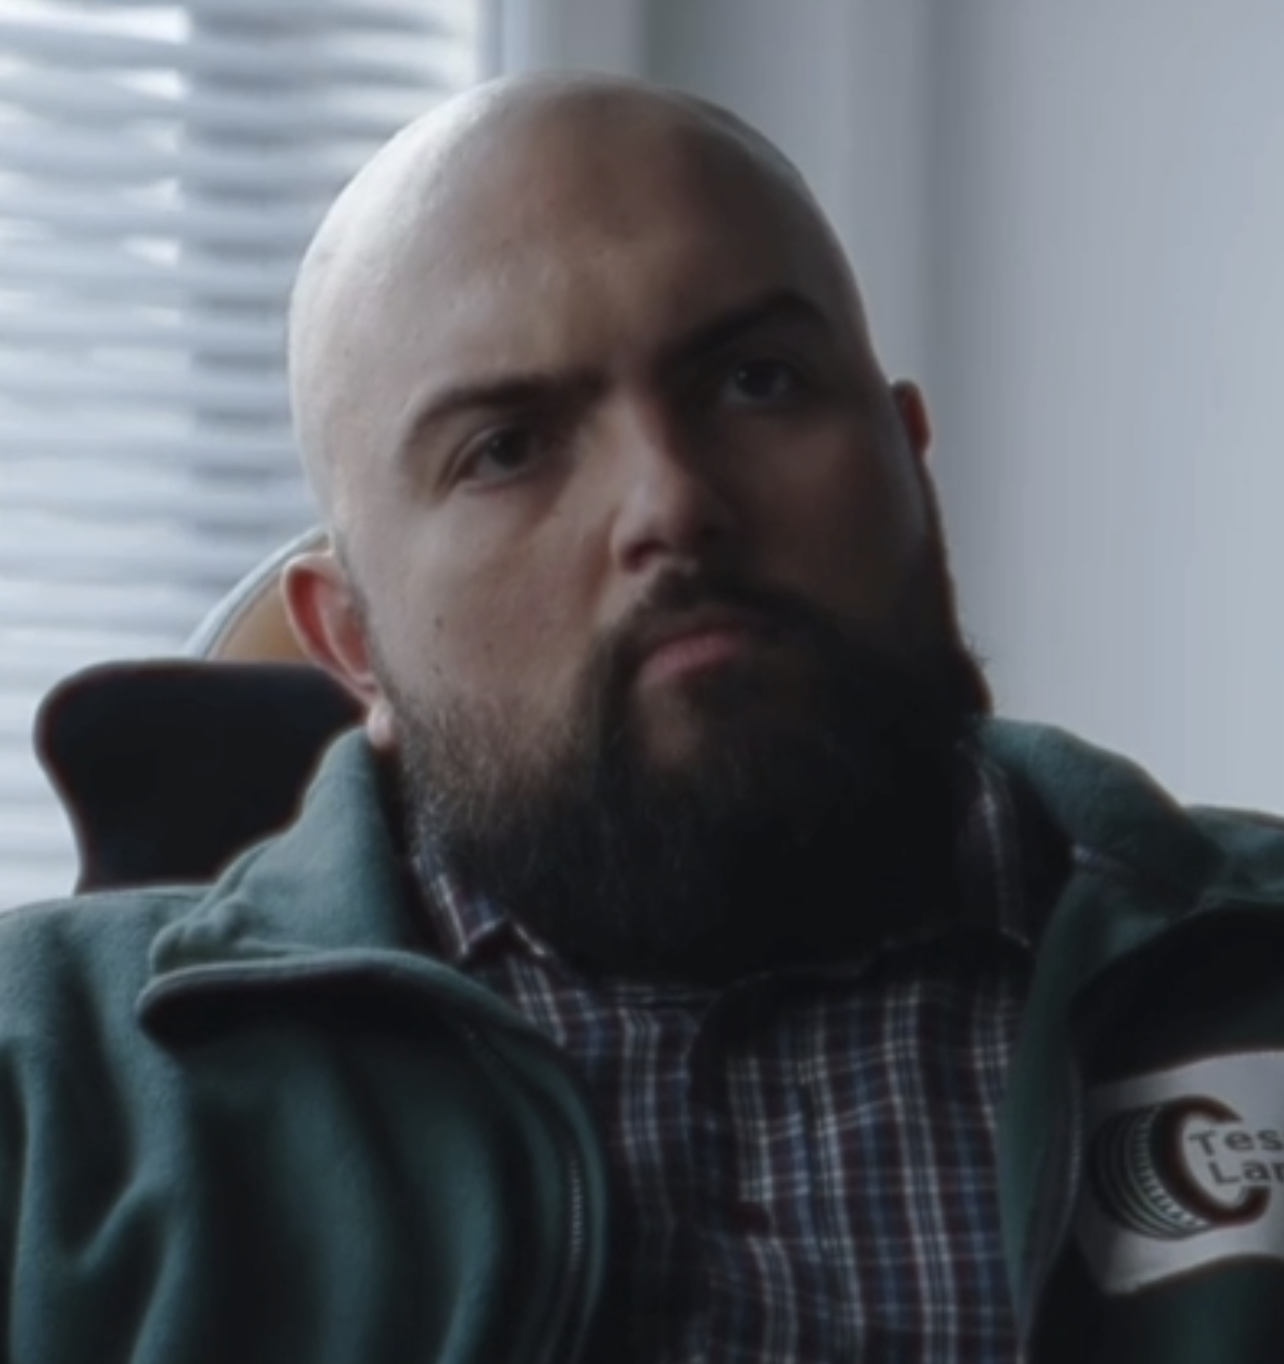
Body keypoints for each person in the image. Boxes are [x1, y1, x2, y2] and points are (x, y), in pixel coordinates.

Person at [5, 72, 1284, 1364]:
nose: (669, 502)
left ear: (908, 462)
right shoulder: (45, 1086)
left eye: (758, 381)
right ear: (353, 641)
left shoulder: (1249, 976)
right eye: (505, 446)